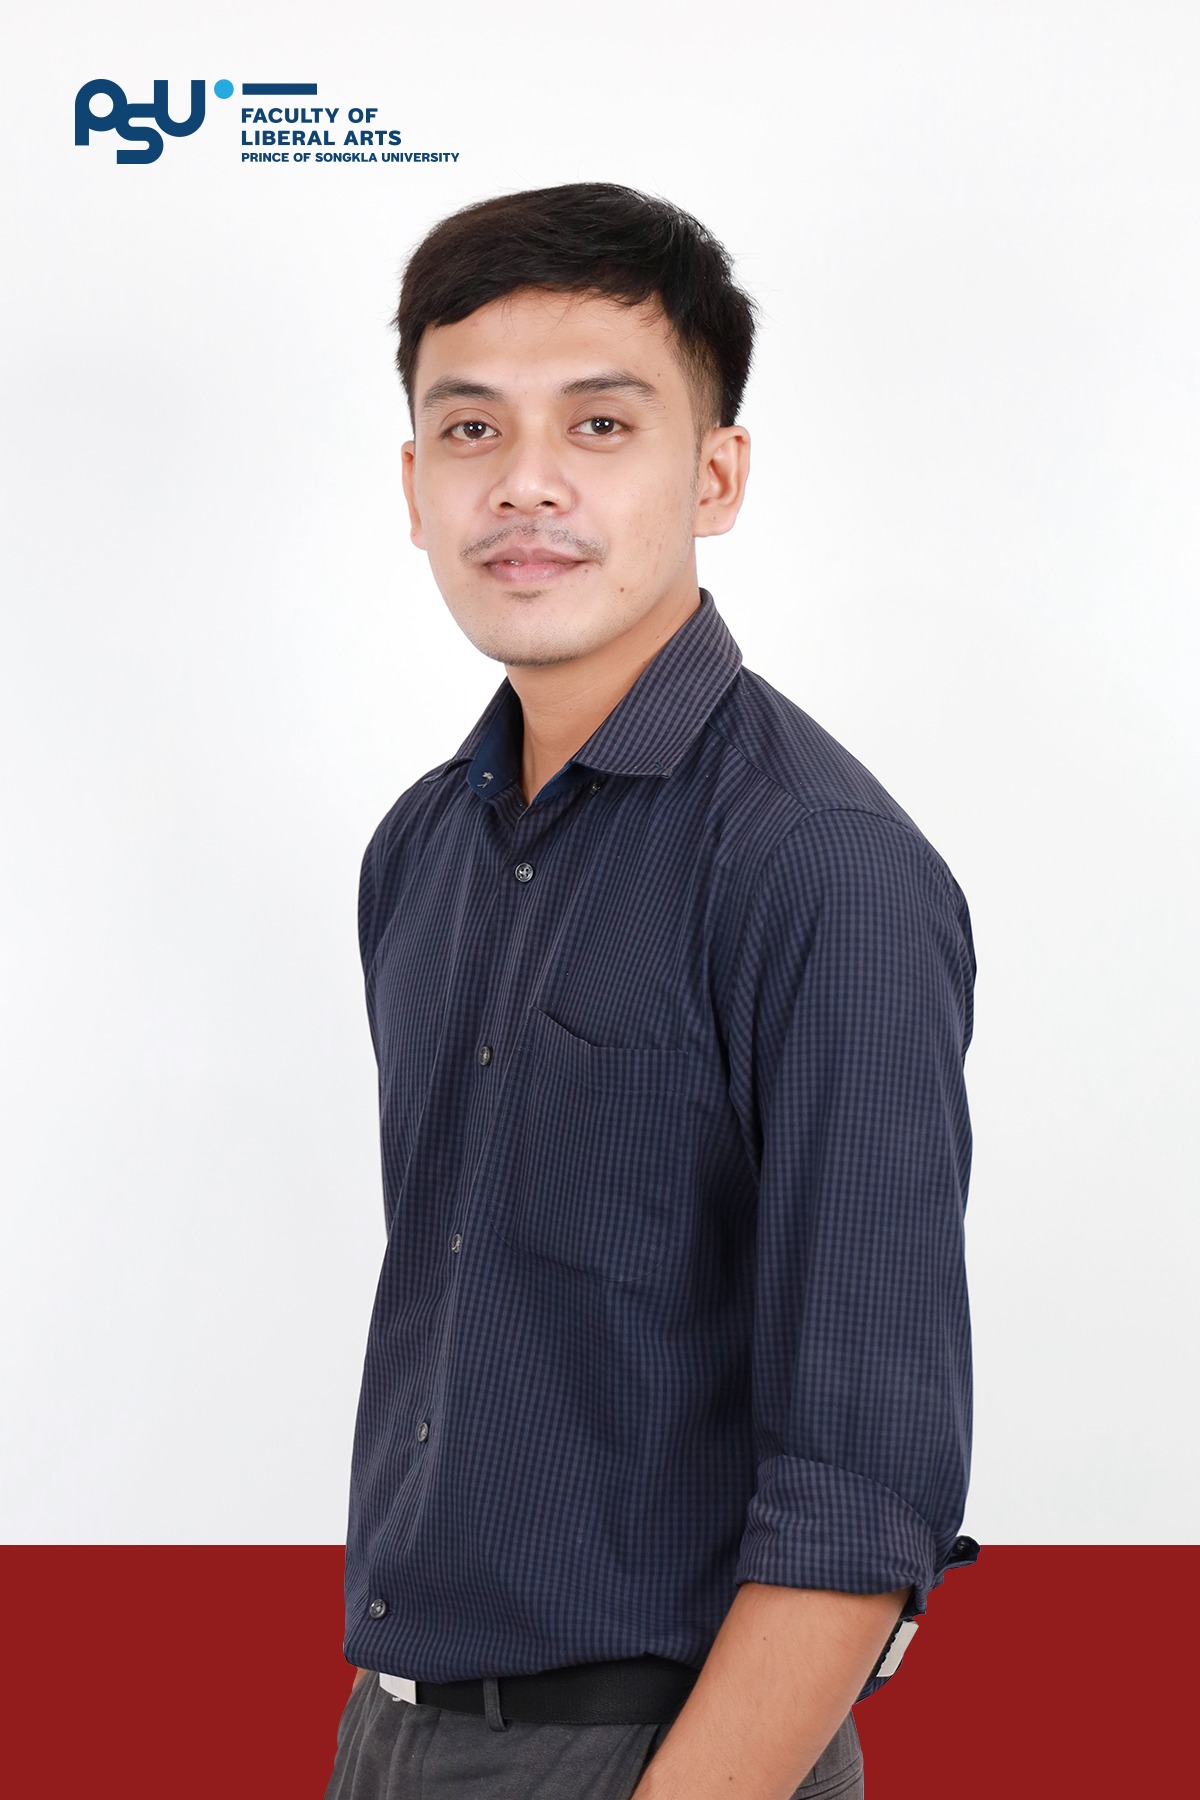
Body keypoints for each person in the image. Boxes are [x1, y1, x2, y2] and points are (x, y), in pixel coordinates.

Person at [324, 181, 978, 1800]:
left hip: (661, 1752)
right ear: (413, 486)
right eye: (469, 431)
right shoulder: (423, 850)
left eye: (601, 425)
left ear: (716, 475)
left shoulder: (820, 866)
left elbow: (860, 1495)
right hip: (393, 1731)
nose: (524, 483)